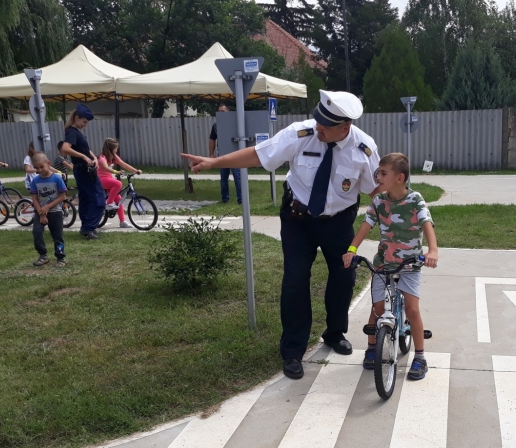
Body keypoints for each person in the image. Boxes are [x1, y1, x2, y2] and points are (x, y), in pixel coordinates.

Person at [182, 90, 381, 380]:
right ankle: (293, 350)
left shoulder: (364, 148)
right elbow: (258, 154)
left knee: (344, 276)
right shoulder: (301, 133)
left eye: (326, 125)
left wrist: (398, 215)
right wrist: (215, 162)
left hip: (338, 222)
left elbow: (376, 189)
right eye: (318, 120)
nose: (319, 127)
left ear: (345, 127)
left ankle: (335, 333)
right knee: (295, 280)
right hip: (298, 220)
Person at [342, 153, 438, 379]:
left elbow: (426, 223)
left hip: (410, 264)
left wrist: (432, 250)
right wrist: (352, 249)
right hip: (383, 264)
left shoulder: (415, 199)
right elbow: (366, 226)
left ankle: (420, 358)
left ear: (399, 178)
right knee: (377, 308)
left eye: (383, 173)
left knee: (412, 310)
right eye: (378, 172)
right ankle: (371, 349)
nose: (378, 177)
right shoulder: (378, 201)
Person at [61, 104, 105, 240]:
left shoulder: (76, 132)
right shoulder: (72, 132)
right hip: (83, 170)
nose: (85, 125)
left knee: (85, 198)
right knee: (99, 199)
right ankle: (89, 227)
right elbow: (65, 148)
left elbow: (84, 149)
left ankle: (86, 227)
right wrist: (84, 157)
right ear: (76, 118)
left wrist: (94, 157)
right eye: (84, 122)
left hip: (83, 169)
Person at [29, 152, 67, 267]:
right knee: (37, 232)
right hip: (40, 212)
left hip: (55, 212)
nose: (39, 170)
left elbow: (62, 196)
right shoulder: (35, 180)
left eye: (42, 167)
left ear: (48, 163)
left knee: (57, 236)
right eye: (36, 168)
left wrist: (48, 207)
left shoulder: (57, 178)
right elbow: (34, 198)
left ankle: (60, 258)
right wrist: (41, 213)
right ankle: (43, 256)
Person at [97, 138, 142, 229]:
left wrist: (136, 171)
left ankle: (122, 222)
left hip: (108, 179)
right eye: (116, 148)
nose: (117, 150)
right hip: (100, 179)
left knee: (119, 200)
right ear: (111, 149)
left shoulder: (113, 157)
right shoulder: (102, 157)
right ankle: (109, 203)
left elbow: (124, 164)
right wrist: (116, 172)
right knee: (118, 183)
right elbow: (105, 167)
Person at [209, 104, 242, 204]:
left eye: (223, 111)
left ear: (228, 111)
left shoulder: (235, 123)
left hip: (235, 155)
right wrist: (211, 154)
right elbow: (212, 139)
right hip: (223, 155)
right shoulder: (216, 126)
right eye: (219, 111)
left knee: (238, 177)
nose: (221, 113)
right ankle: (225, 198)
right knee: (224, 178)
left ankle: (241, 199)